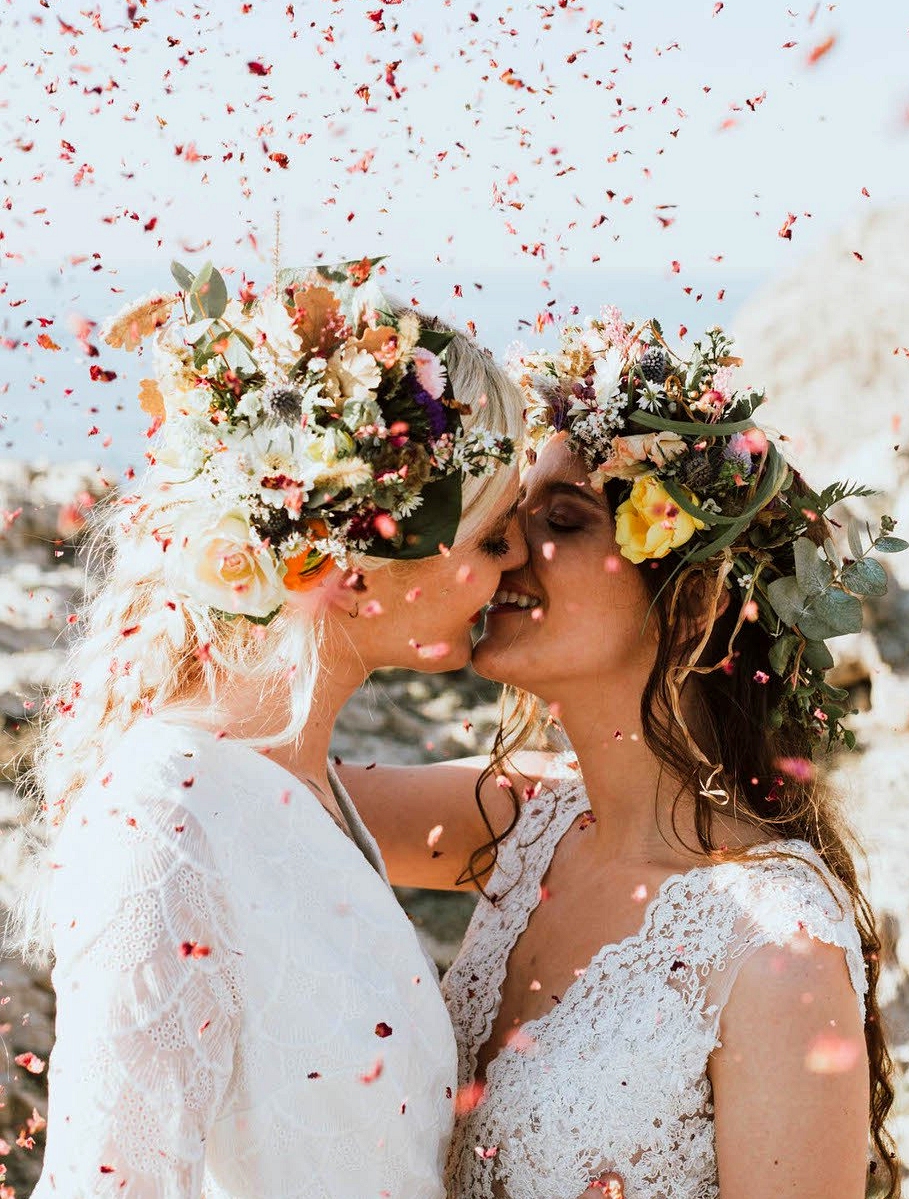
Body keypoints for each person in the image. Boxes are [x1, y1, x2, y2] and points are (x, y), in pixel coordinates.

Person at [337, 309, 903, 1199]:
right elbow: (268, 795)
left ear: (689, 607)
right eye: (512, 513)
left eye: (563, 519)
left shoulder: (776, 947)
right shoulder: (526, 820)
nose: (511, 546)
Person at [15, 255, 526, 1199]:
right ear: (364, 554)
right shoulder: (167, 824)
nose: (520, 562)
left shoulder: (297, 792)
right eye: (494, 536)